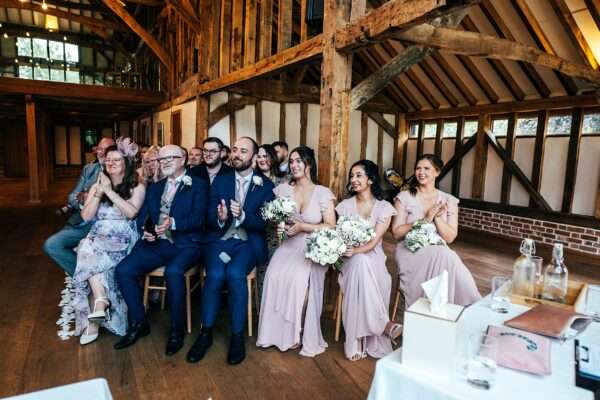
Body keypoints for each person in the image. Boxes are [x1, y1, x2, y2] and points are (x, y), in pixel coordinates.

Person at [186, 137, 274, 366]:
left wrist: (243, 217)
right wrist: (221, 217)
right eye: (234, 149)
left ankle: (237, 336)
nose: (236, 154)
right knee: (214, 275)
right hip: (219, 240)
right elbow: (208, 216)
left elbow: (265, 223)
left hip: (248, 243)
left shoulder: (266, 186)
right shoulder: (221, 180)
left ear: (254, 157)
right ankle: (205, 333)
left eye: (243, 151)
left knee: (235, 274)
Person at [114, 145, 208, 355]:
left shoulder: (199, 185)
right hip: (157, 243)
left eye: (170, 158)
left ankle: (177, 330)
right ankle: (140, 323)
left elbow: (199, 219)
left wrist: (173, 223)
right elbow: (143, 217)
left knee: (173, 272)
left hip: (187, 244)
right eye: (161, 159)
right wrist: (146, 231)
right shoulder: (156, 187)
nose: (164, 162)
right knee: (124, 270)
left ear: (183, 159)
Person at [257, 146, 336, 357]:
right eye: (291, 161)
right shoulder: (283, 189)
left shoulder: (323, 192)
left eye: (298, 161)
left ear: (309, 163)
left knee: (298, 278)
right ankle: (276, 334)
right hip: (288, 244)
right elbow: (276, 221)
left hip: (312, 246)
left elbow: (330, 225)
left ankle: (296, 333)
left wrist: (303, 227)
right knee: (274, 275)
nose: (294, 165)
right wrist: (280, 222)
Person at [72, 139, 145, 345]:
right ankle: (101, 303)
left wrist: (109, 192)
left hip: (122, 237)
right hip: (99, 235)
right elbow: (86, 217)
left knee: (87, 248)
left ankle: (95, 316)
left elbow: (131, 213)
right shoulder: (98, 184)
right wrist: (97, 193)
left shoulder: (136, 184)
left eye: (117, 160)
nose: (111, 163)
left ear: (126, 163)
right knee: (88, 246)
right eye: (108, 160)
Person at [391, 154, 481, 308]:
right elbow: (396, 232)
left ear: (437, 172)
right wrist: (424, 219)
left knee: (445, 254)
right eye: (418, 168)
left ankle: (454, 309)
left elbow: (450, 237)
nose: (421, 172)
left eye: (426, 168)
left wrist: (438, 218)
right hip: (410, 251)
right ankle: (470, 305)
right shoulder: (404, 197)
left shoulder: (449, 200)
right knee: (446, 255)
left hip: (438, 250)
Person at [336, 160, 402, 361]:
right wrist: (344, 249)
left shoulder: (384, 208)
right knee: (358, 263)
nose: (353, 180)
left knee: (363, 262)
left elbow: (373, 243)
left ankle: (357, 342)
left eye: (358, 175)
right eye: (352, 176)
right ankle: (383, 325)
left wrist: (356, 250)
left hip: (372, 258)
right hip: (347, 259)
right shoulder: (345, 206)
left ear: (371, 179)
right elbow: (338, 235)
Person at [44, 137, 115, 276]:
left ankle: (96, 280)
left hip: (106, 224)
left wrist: (92, 197)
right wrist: (81, 200)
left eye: (108, 150)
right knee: (52, 245)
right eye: (100, 149)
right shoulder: (89, 169)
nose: (103, 153)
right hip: (84, 221)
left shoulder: (121, 171)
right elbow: (72, 196)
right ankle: (88, 278)